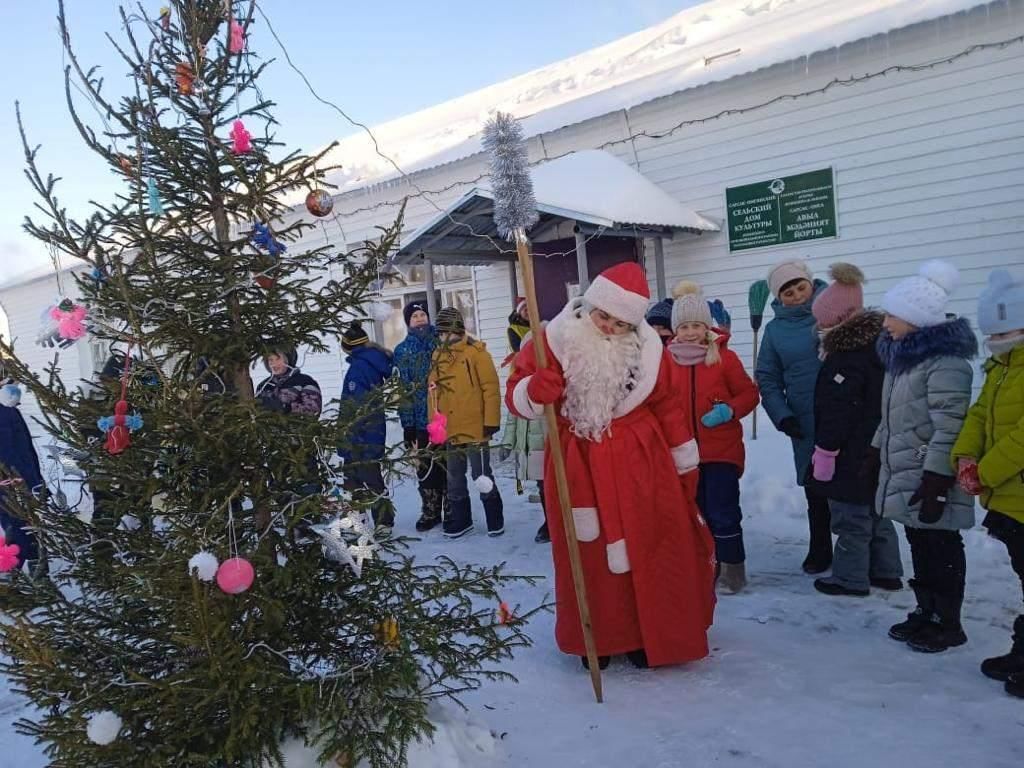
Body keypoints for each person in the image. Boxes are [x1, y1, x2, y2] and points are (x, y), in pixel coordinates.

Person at [506, 262, 715, 669]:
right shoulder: (554, 339)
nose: (608, 327)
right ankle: (595, 637)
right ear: (590, 306)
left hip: (641, 460)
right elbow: (517, 387)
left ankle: (642, 635)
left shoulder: (651, 351)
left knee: (647, 545)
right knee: (586, 555)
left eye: (620, 324)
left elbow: (668, 406)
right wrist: (534, 389)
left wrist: (684, 458)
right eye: (603, 316)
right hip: (576, 463)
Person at [873, 260, 976, 653]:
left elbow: (951, 426)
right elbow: (891, 416)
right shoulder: (904, 360)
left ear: (917, 319)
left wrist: (936, 480)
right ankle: (926, 608)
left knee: (941, 547)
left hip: (931, 475)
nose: (885, 322)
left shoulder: (946, 364)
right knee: (919, 541)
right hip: (907, 470)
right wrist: (874, 451)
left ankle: (948, 622)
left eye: (892, 315)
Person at [804, 263, 902, 597]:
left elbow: (837, 412)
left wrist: (826, 451)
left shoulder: (845, 357)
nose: (818, 326)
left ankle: (850, 577)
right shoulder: (880, 344)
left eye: (822, 320)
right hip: (878, 446)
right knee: (877, 511)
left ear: (839, 320)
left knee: (850, 516)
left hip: (850, 451)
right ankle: (886, 571)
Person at [951, 269, 1024, 698]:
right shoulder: (1000, 366)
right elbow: (980, 414)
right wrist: (965, 455)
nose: (997, 340)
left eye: (1005, 332)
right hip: (1010, 497)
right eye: (991, 334)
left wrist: (987, 470)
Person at [666, 281, 759, 594]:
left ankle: (733, 570)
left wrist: (729, 411)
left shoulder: (723, 357)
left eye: (696, 325)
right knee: (696, 514)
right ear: (675, 329)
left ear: (706, 327)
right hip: (683, 455)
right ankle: (705, 567)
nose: (690, 332)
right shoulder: (666, 361)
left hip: (721, 451)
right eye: (684, 326)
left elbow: (749, 394)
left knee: (723, 512)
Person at [755, 260, 832, 574]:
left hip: (845, 413)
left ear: (811, 283)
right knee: (816, 487)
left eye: (801, 287)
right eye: (788, 292)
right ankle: (821, 548)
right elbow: (767, 377)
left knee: (855, 487)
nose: (798, 295)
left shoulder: (834, 313)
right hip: (805, 421)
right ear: (778, 297)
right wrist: (782, 416)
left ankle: (869, 558)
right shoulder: (775, 331)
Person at [429, 306, 504, 538]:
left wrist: (491, 420)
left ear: (457, 330)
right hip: (451, 427)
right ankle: (461, 520)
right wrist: (435, 426)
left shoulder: (477, 354)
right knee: (454, 476)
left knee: (481, 475)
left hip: (476, 426)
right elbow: (433, 393)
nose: (442, 338)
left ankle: (495, 518)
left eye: (446, 333)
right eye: (440, 334)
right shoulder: (437, 356)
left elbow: (490, 388)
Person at [394, 301, 446, 532]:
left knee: (448, 466)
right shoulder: (403, 350)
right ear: (407, 322)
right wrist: (408, 426)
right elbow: (403, 390)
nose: (419, 319)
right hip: (420, 420)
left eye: (422, 314)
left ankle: (453, 510)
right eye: (414, 316)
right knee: (426, 468)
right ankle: (431, 510)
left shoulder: (441, 342)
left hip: (445, 417)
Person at [339, 323, 395, 529]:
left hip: (360, 433)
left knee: (366, 477)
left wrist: (351, 433)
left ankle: (382, 521)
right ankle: (360, 520)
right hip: (370, 430)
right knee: (364, 477)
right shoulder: (370, 361)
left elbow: (358, 405)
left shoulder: (359, 368)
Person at [502, 320, 550, 544]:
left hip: (548, 444)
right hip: (532, 447)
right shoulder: (519, 383)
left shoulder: (551, 379)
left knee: (555, 486)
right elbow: (513, 417)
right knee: (542, 487)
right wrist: (507, 442)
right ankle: (549, 520)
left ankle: (557, 520)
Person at [0, 377, 43, 572]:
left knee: (22, 525)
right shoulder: (8, 414)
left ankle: (30, 570)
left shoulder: (10, 413)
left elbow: (25, 450)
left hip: (17, 480)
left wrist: (35, 481)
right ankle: (17, 572)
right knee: (19, 525)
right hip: (13, 480)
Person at [255, 345, 322, 416]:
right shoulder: (263, 386)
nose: (274, 363)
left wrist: (286, 408)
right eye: (270, 360)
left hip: (296, 426)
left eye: (278, 359)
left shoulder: (304, 381)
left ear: (288, 360)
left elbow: (314, 410)